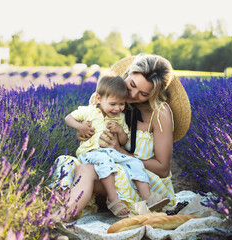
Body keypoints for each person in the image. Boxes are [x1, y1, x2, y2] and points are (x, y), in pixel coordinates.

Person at [50, 53, 191, 220]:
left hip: (144, 182)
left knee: (85, 171)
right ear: (128, 72)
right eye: (132, 85)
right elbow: (90, 134)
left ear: (153, 95)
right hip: (108, 172)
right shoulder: (108, 101)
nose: (132, 95)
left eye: (143, 94)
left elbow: (163, 168)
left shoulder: (160, 113)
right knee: (69, 164)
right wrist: (83, 131)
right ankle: (59, 211)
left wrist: (119, 151)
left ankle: (57, 217)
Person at [64, 74, 170, 217]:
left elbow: (124, 140)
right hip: (93, 154)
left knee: (135, 162)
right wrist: (80, 128)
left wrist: (119, 131)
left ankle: (148, 197)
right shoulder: (90, 110)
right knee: (98, 164)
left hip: (112, 155)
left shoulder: (119, 117)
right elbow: (69, 118)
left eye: (122, 104)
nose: (118, 108)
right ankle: (113, 200)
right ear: (99, 99)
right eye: (113, 104)